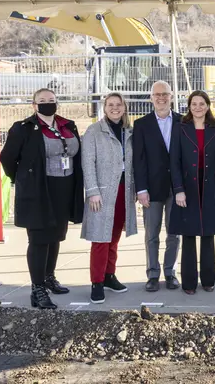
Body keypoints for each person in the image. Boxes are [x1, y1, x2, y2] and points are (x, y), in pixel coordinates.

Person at [0, 88, 84, 309]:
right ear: (34, 105)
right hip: (38, 190)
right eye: (42, 101)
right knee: (39, 239)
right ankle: (37, 289)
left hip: (64, 188)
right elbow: (7, 158)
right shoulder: (23, 128)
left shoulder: (68, 125)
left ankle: (48, 277)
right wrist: (21, 178)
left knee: (55, 235)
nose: (48, 104)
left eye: (52, 100)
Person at [170, 91, 215, 294]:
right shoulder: (180, 129)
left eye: (201, 103)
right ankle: (188, 283)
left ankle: (208, 280)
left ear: (207, 106)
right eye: (193, 104)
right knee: (188, 235)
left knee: (208, 235)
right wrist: (178, 190)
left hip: (211, 188)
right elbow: (174, 161)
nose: (197, 107)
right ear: (189, 107)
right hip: (188, 188)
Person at [81, 92, 137, 304]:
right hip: (103, 193)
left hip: (123, 190)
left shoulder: (128, 131)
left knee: (113, 237)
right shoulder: (94, 131)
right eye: (111, 105)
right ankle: (96, 282)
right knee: (100, 238)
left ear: (124, 107)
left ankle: (108, 275)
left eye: (118, 105)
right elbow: (88, 163)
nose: (115, 108)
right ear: (104, 108)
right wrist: (92, 191)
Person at [133, 81, 182, 292]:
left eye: (165, 94)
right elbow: (139, 159)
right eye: (157, 95)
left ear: (171, 96)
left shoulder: (183, 121)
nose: (161, 98)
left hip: (177, 188)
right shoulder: (142, 124)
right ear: (151, 98)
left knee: (174, 233)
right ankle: (153, 274)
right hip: (152, 189)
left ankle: (170, 273)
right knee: (151, 234)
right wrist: (141, 189)